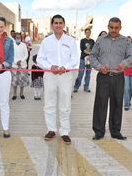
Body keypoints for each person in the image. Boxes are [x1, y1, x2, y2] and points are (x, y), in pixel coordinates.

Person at [89, 17, 132, 141]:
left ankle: (115, 131)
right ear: (108, 26)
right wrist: (99, 67)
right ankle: (99, 131)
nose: (113, 30)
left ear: (120, 27)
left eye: (116, 28)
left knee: (117, 104)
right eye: (111, 27)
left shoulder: (126, 41)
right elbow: (92, 56)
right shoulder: (100, 40)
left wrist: (124, 64)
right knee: (100, 104)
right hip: (103, 77)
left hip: (118, 77)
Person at [37, 14, 79, 145]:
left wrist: (64, 67)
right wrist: (50, 67)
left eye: (61, 23)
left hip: (65, 75)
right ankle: (51, 129)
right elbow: (40, 59)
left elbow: (75, 59)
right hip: (50, 75)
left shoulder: (71, 41)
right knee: (49, 103)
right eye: (56, 23)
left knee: (65, 103)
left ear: (64, 25)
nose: (58, 25)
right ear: (52, 25)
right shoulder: (46, 41)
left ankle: (65, 131)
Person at [73, 28, 95, 93]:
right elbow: (82, 49)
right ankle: (76, 86)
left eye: (89, 32)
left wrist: (91, 54)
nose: (88, 33)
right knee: (80, 73)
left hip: (90, 60)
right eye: (87, 32)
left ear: (90, 33)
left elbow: (94, 49)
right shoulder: (82, 40)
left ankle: (86, 87)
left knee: (88, 74)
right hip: (83, 59)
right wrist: (89, 53)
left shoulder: (92, 41)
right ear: (85, 33)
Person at [11, 32, 29, 100]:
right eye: (17, 38)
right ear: (15, 38)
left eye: (19, 38)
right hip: (14, 65)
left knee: (22, 81)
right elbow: (12, 55)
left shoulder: (24, 45)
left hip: (23, 65)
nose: (18, 39)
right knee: (14, 81)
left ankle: (21, 94)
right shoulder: (12, 45)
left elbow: (26, 55)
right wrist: (16, 61)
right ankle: (14, 94)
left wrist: (21, 61)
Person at [123, 36, 132, 111]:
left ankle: (128, 100)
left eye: (130, 41)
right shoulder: (122, 51)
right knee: (126, 88)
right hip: (125, 71)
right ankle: (126, 104)